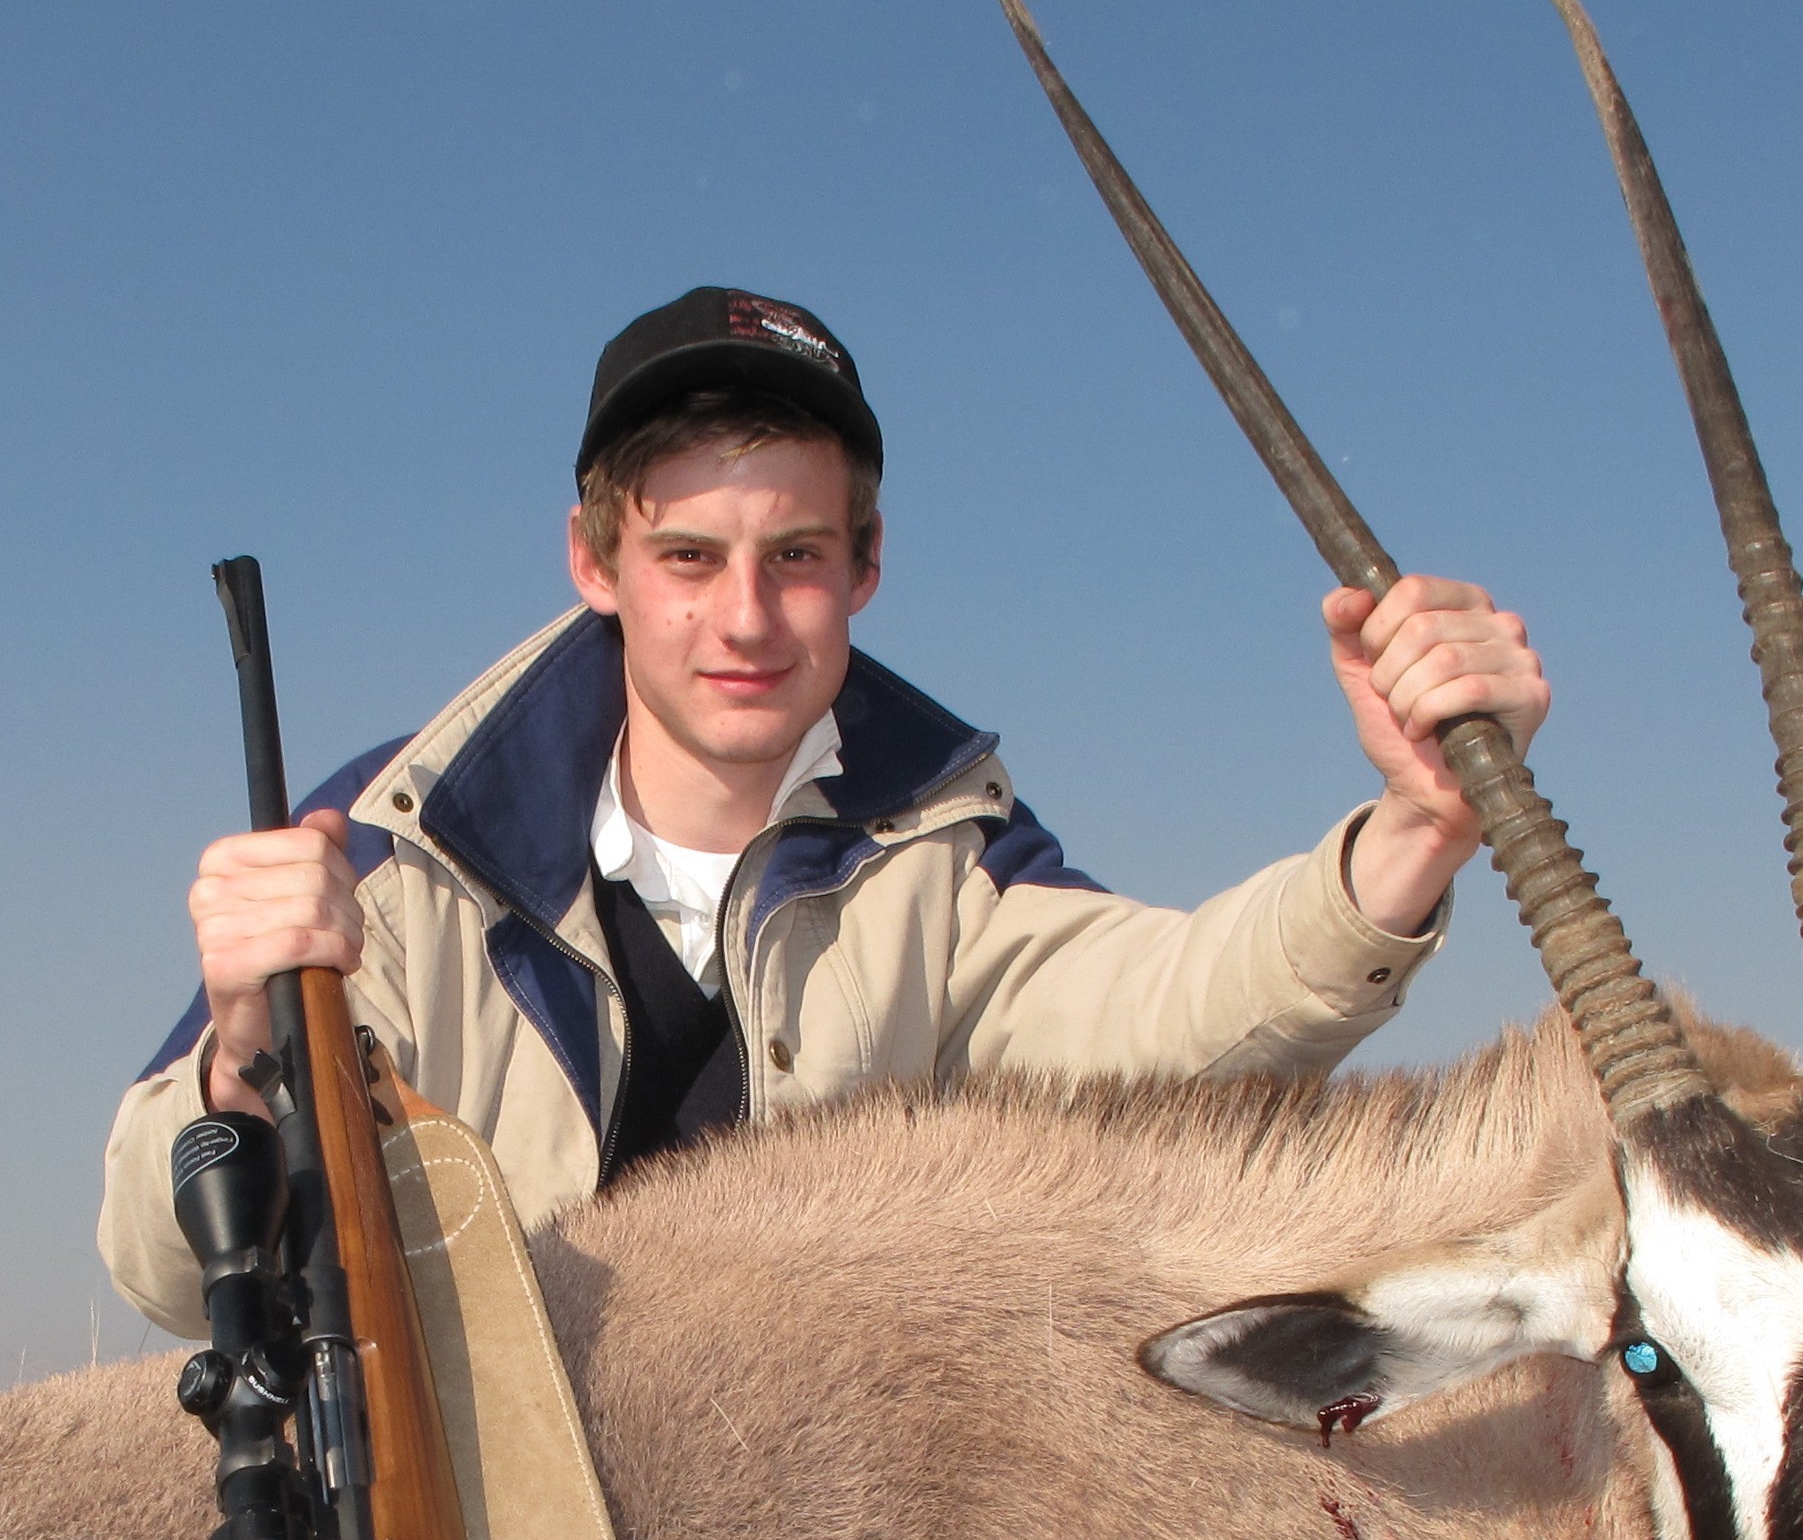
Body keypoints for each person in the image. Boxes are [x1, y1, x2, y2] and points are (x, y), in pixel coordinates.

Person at [96, 286, 1549, 1334]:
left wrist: (1417, 824)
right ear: (593, 563)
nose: (745, 619)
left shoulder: (946, 853)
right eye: (688, 556)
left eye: (796, 555)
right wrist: (242, 1058)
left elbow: (1181, 1011)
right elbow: (163, 1272)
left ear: (866, 567)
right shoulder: (390, 845)